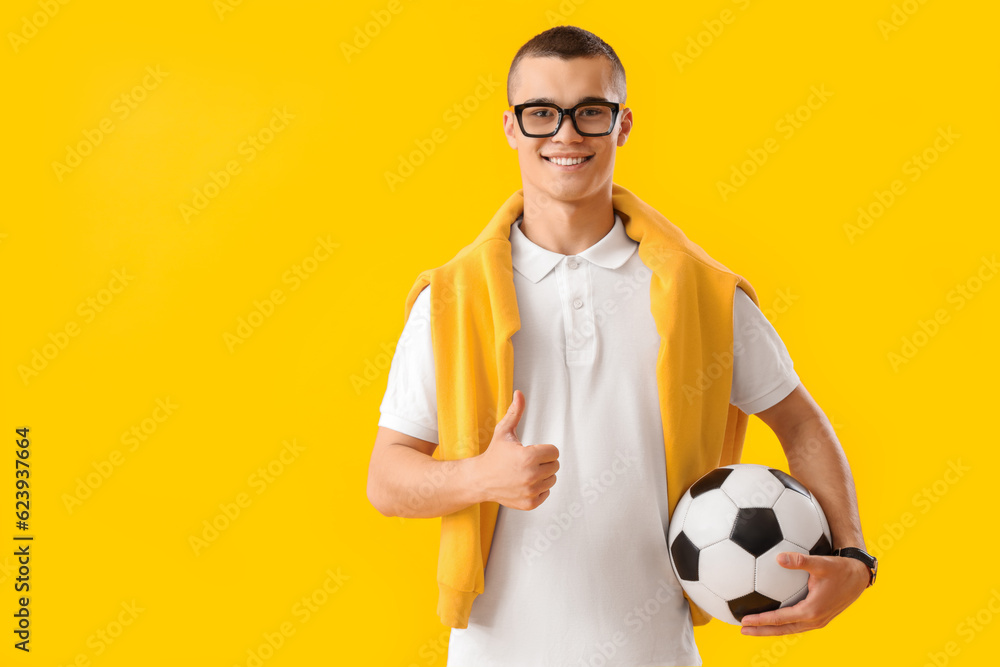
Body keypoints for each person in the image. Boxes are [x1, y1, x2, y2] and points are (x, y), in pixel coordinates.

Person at [367, 25, 875, 667]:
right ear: (510, 127)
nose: (566, 134)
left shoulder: (702, 294)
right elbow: (387, 479)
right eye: (542, 113)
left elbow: (799, 422)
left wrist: (852, 556)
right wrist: (480, 477)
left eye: (591, 112)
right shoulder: (451, 299)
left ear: (622, 124)